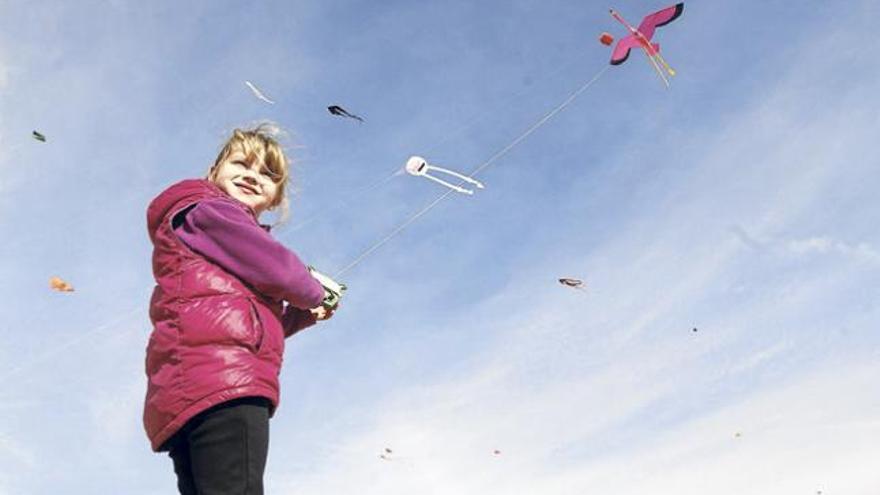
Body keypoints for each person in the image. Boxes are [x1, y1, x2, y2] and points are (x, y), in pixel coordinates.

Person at [143, 124, 335, 494]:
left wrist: (305, 312)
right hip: (226, 384)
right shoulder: (210, 211)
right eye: (241, 163)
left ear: (276, 196)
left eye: (267, 173)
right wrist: (315, 292)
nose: (252, 175)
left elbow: (247, 319)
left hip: (190, 389)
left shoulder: (213, 237)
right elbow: (280, 269)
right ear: (212, 173)